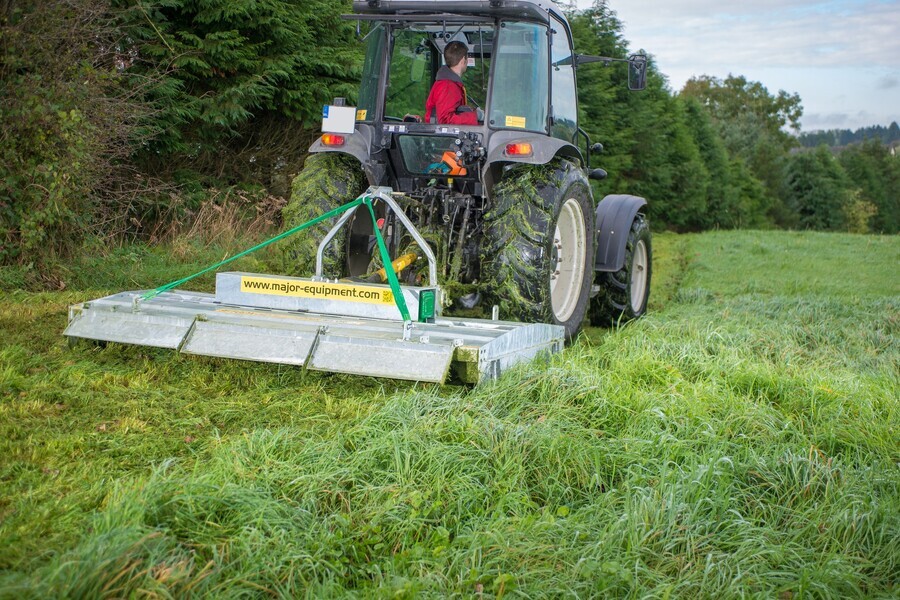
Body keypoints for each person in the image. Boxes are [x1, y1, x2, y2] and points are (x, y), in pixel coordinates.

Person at [424, 41, 484, 125]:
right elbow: (445, 120)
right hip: (443, 137)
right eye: (467, 58)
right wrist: (476, 116)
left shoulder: (451, 83)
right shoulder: (448, 86)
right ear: (463, 60)